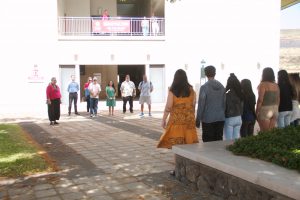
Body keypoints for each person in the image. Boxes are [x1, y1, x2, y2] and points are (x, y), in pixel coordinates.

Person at [157, 69, 199, 176]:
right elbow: (193, 106)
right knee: (189, 146)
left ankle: (177, 170)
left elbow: (168, 107)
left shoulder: (172, 91)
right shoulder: (192, 91)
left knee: (177, 146)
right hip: (189, 123)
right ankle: (189, 170)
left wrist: (163, 120)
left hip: (176, 123)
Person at [196, 65, 225, 142]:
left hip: (208, 119)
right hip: (220, 118)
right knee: (218, 141)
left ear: (206, 74)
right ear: (215, 73)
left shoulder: (204, 87)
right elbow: (224, 102)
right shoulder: (222, 86)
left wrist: (198, 119)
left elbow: (201, 105)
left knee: (208, 142)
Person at [256, 67, 280, 132]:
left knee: (265, 132)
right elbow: (278, 98)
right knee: (271, 133)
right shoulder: (276, 85)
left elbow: (260, 99)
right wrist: (276, 107)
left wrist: (257, 110)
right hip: (275, 109)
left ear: (263, 74)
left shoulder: (263, 85)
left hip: (265, 109)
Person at [224, 73, 243, 140]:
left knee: (228, 141)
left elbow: (225, 106)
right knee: (236, 139)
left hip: (230, 118)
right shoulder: (240, 94)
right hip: (239, 118)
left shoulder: (227, 94)